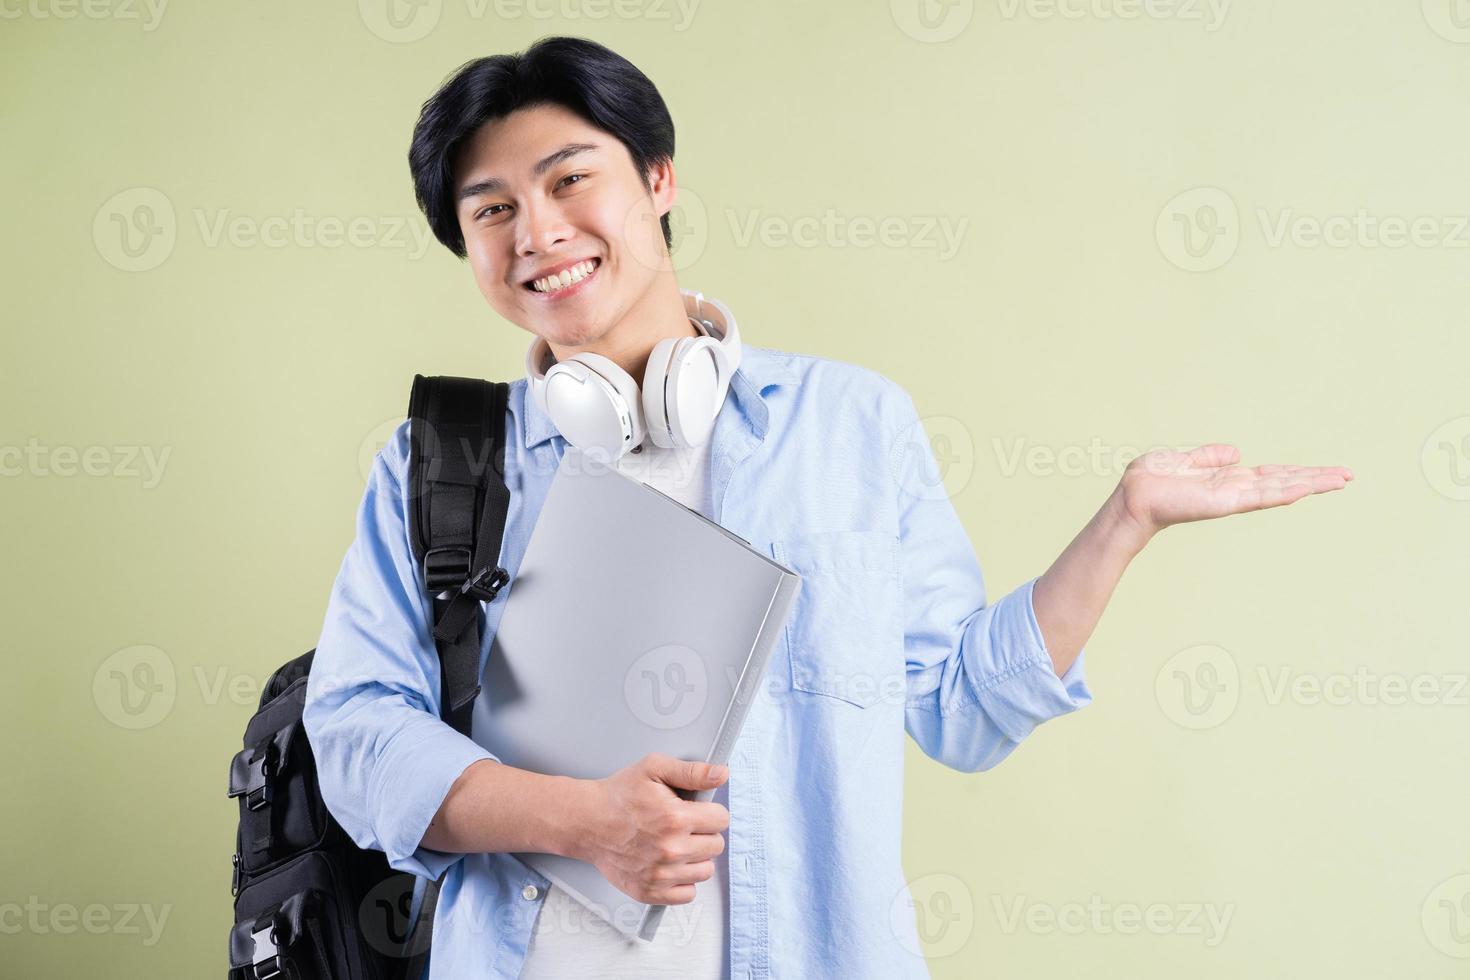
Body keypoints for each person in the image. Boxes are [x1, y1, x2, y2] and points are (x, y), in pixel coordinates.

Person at [301, 35, 1354, 980]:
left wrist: (1125, 521)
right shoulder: (439, 459)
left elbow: (962, 706)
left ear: (657, 180)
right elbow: (355, 732)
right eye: (491, 210)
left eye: (570, 178)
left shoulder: (851, 425)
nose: (537, 231)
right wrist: (583, 819)